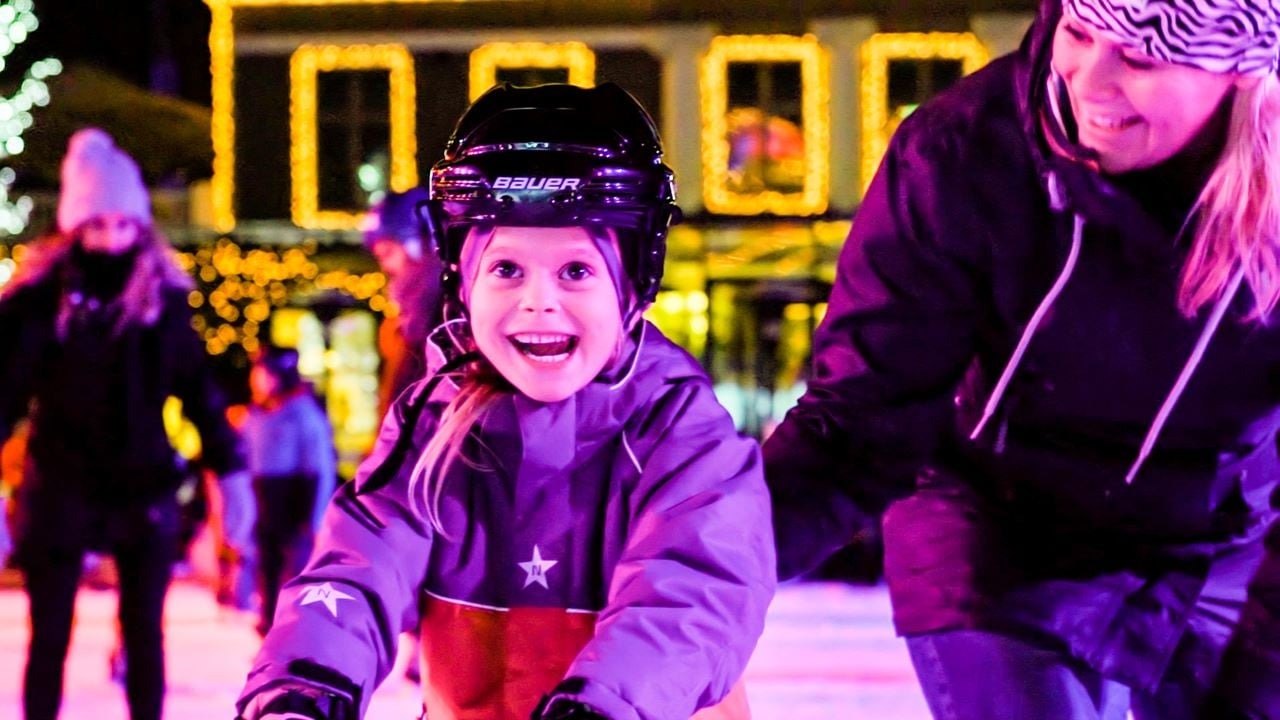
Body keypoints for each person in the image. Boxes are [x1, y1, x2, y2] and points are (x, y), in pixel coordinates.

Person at [763, 0, 1280, 718]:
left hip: (1219, 544)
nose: (1087, 81)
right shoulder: (965, 153)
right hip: (998, 530)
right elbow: (855, 426)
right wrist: (699, 569)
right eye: (1078, 31)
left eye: (1139, 57)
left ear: (1242, 72)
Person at [234, 82, 775, 720]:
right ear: (463, 284)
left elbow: (691, 594)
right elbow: (359, 565)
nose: (538, 302)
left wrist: (604, 705)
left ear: (633, 285)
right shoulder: (435, 428)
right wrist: (304, 683)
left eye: (576, 271)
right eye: (506, 269)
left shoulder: (680, 435)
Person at [0, 128, 248, 720]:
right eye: (96, 225)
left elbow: (199, 394)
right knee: (49, 634)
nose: (110, 240)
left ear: (140, 227)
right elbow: (5, 395)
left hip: (142, 487)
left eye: (122, 225)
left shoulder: (162, 305)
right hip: (60, 484)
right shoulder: (38, 305)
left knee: (144, 637)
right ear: (74, 228)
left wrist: (229, 468)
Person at [242, 345, 337, 636]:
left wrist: (315, 518)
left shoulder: (303, 415)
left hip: (294, 505)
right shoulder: (257, 415)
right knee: (267, 571)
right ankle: (269, 627)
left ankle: (296, 634)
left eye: (264, 373)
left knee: (294, 574)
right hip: (264, 503)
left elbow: (319, 468)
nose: (258, 380)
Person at [364, 186, 445, 418]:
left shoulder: (445, 323)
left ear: (423, 245)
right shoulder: (409, 323)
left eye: (388, 253)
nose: (386, 267)